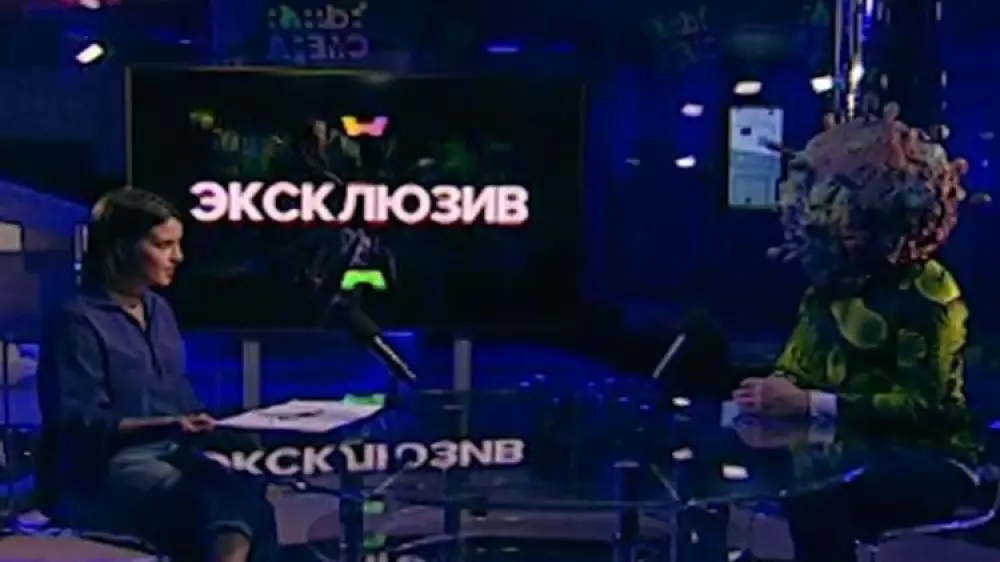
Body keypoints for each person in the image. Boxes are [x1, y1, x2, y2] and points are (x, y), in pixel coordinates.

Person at [731, 103, 985, 562]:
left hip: (932, 459)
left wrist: (811, 404)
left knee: (818, 494)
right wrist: (772, 393)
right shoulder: (830, 284)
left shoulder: (932, 293)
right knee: (751, 470)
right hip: (836, 452)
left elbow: (922, 409)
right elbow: (795, 366)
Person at [37, 188, 278, 562]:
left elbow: (179, 397)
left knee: (247, 494)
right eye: (164, 245)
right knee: (215, 504)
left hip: (172, 454)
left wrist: (226, 428)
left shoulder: (159, 309)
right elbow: (76, 422)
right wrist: (167, 425)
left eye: (177, 245)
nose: (178, 257)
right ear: (121, 249)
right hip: (102, 471)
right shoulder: (76, 320)